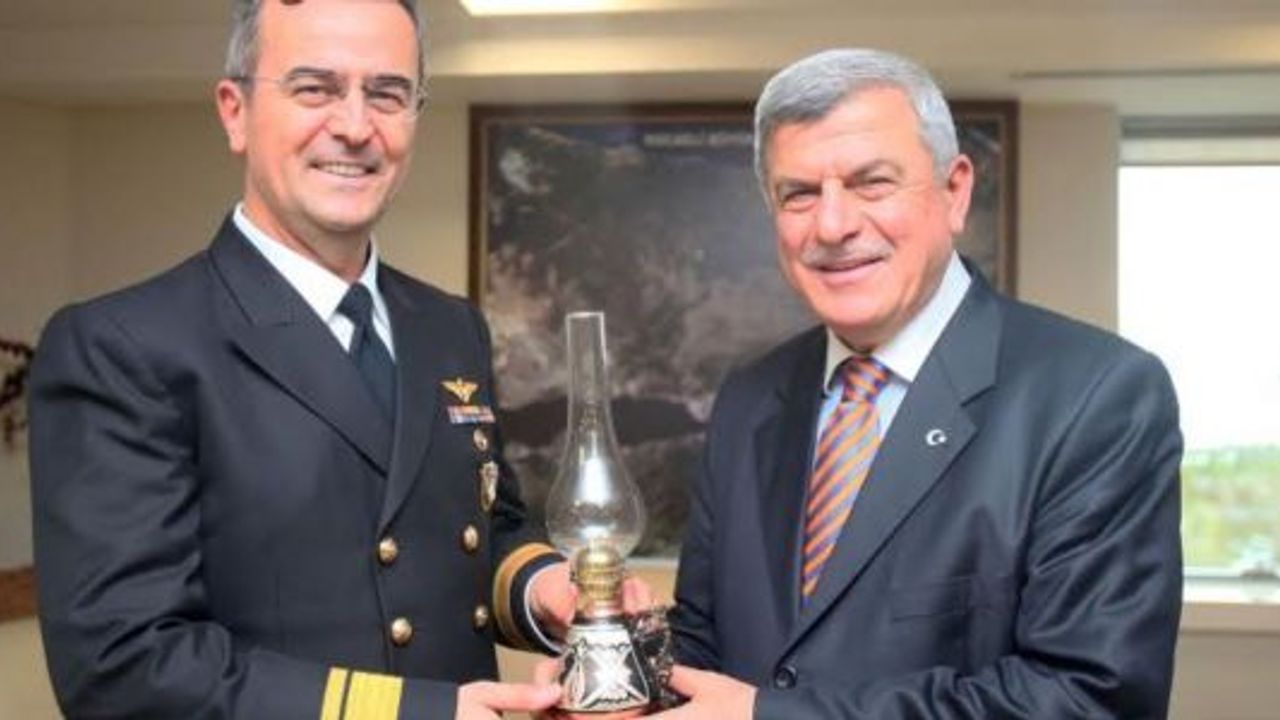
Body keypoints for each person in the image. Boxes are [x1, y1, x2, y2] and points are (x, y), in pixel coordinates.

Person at [27, 1, 605, 718]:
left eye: (387, 94)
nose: (356, 127)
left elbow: (482, 528)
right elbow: (124, 665)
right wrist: (419, 714)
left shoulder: (449, 327)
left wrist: (544, 588)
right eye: (314, 88)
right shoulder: (123, 346)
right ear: (235, 112)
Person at [659, 48, 1183, 718]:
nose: (833, 225)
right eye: (800, 194)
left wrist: (770, 716)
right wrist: (612, 680)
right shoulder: (750, 397)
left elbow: (1089, 699)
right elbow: (703, 642)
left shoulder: (1097, 396)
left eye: (872, 183)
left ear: (954, 191)